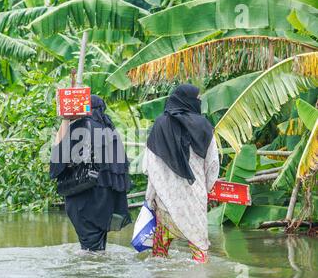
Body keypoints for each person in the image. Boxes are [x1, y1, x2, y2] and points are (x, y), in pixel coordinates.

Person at [142, 84, 220, 263]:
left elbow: (150, 165)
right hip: (194, 198)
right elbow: (212, 164)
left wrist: (151, 195)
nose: (199, 101)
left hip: (165, 198)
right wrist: (204, 189)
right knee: (199, 249)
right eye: (197, 98)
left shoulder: (160, 124)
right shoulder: (204, 126)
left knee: (159, 254)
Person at [50, 95, 131, 251]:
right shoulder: (110, 130)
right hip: (106, 200)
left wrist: (65, 121)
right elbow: (120, 168)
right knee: (98, 247)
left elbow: (57, 161)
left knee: (88, 249)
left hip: (83, 197)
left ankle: (91, 274)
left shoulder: (79, 127)